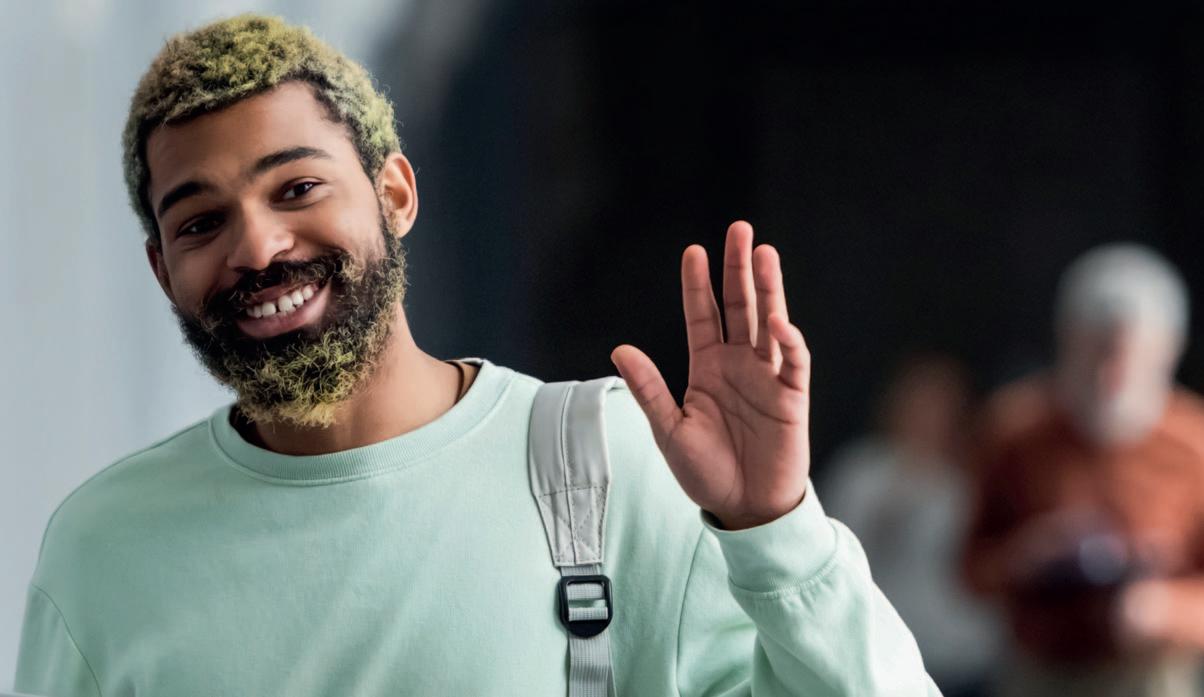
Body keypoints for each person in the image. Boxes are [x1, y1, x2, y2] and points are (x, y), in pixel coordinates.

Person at [14, 14, 936, 696]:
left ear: (396, 193)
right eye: (201, 222)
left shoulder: (620, 465)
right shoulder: (106, 549)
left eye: (296, 187)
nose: (256, 247)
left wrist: (776, 531)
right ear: (162, 269)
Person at [962, 244, 1204, 697]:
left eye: (1129, 357)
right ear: (1066, 340)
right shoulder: (1015, 430)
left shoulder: (1194, 445)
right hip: (1040, 674)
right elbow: (969, 570)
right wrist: (1025, 556)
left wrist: (1163, 610)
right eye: (1095, 352)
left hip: (1151, 676)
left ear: (1168, 350)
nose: (1110, 375)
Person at [823, 355, 1001, 696]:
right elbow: (831, 558)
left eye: (940, 405)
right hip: (882, 656)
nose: (928, 416)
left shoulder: (970, 478)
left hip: (964, 658)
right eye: (919, 403)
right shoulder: (862, 472)